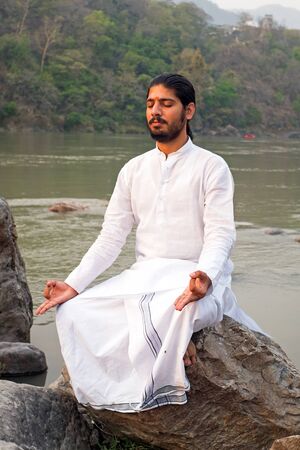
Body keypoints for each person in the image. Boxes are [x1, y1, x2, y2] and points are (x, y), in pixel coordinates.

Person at [36, 73, 262, 412]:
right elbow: (111, 236)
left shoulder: (212, 167)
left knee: (178, 308)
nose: (155, 111)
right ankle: (134, 376)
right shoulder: (133, 170)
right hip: (145, 276)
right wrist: (73, 284)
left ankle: (172, 356)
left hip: (193, 277)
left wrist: (207, 275)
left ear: (189, 111)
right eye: (150, 104)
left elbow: (221, 232)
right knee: (74, 311)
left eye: (166, 104)